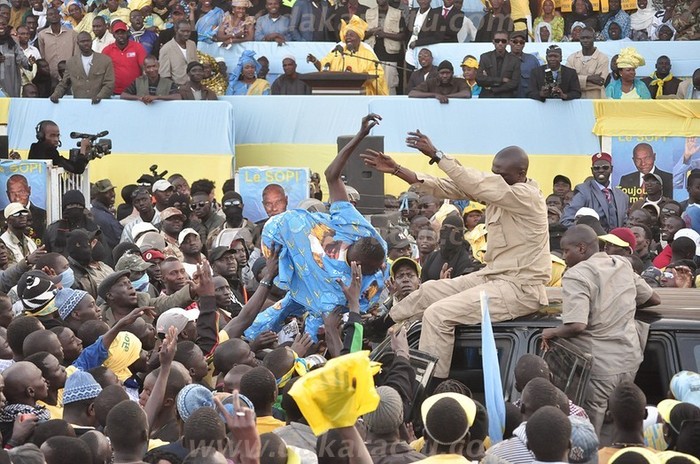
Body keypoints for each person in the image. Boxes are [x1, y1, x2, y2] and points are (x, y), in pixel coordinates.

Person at [361, 126, 550, 383]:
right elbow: (449, 186)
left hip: (521, 288)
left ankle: (428, 390)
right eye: (493, 174)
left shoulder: (526, 196)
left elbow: (474, 182)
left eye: (501, 175)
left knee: (438, 315)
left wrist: (437, 154)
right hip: (495, 276)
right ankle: (379, 326)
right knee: (427, 291)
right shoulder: (500, 188)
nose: (495, 179)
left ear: (521, 174)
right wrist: (397, 170)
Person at [245, 115, 387, 341]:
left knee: (307, 326)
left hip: (318, 292)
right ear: (357, 266)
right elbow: (331, 174)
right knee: (263, 323)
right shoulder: (356, 228)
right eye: (376, 268)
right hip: (279, 235)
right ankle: (244, 342)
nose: (381, 268)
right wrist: (359, 136)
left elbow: (341, 321)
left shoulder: (356, 283)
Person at [542, 225, 659, 432]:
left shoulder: (576, 275)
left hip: (600, 368)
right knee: (620, 422)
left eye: (566, 250)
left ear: (581, 248)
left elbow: (576, 325)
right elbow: (653, 298)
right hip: (630, 360)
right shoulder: (621, 264)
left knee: (591, 431)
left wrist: (551, 332)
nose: (563, 256)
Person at [307, 15, 389, 96]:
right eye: (346, 35)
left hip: (362, 93)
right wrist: (314, 61)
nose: (348, 37)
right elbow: (323, 67)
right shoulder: (338, 52)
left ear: (359, 37)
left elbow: (379, 74)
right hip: (338, 93)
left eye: (351, 35)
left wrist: (362, 76)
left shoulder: (367, 54)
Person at [561, 153, 629, 231]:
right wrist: (587, 233)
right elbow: (565, 221)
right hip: (593, 241)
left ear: (611, 169)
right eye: (596, 168)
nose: (601, 170)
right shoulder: (583, 191)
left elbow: (625, 224)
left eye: (605, 167)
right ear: (592, 171)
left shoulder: (622, 196)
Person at [50, 32, 115, 103]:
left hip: (101, 104)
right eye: (82, 41)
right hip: (79, 105)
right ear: (78, 43)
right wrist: (56, 94)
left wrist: (100, 96)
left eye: (88, 41)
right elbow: (64, 83)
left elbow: (109, 83)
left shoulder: (105, 60)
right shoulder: (71, 62)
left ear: (92, 42)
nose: (86, 43)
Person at [364, 0, 406, 95]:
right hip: (372, 55)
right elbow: (362, 35)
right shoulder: (368, 13)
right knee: (372, 85)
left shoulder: (397, 13)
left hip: (390, 56)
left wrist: (385, 34)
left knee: (389, 85)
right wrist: (371, 32)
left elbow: (403, 35)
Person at [101, 20, 146, 95]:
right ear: (113, 35)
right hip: (114, 92)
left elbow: (144, 68)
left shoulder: (138, 47)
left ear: (127, 33)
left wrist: (143, 88)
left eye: (123, 32)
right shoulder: (107, 50)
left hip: (135, 91)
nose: (120, 35)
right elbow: (102, 71)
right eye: (117, 33)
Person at [566, 27, 610, 99]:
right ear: (579, 39)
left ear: (594, 38)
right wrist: (589, 78)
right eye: (583, 38)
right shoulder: (572, 58)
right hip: (576, 101)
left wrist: (576, 81)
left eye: (588, 38)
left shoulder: (603, 58)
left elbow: (600, 82)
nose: (585, 40)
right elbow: (567, 81)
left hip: (596, 100)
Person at [476, 30, 521, 98]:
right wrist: (502, 80)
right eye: (497, 41)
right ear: (493, 41)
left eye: (503, 41)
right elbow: (479, 79)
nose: (500, 43)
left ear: (508, 42)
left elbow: (514, 83)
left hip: (506, 98)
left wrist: (494, 89)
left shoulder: (515, 60)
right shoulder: (485, 57)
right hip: (487, 97)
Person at [37, 7, 77, 81]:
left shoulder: (72, 34)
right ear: (47, 18)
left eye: (55, 14)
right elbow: (42, 56)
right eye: (50, 14)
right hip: (51, 77)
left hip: (69, 75)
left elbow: (76, 56)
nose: (53, 16)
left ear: (60, 16)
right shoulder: (42, 35)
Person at [4, 174, 47, 242]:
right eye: (12, 193)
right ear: (7, 194)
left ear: (29, 191)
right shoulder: (1, 217)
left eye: (21, 192)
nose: (17, 197)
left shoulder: (43, 215)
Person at [0, 17, 34, 97]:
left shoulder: (13, 42)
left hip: (11, 82)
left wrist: (30, 63)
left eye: (3, 24)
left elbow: (22, 59)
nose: (1, 26)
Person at [159, 20, 197, 86]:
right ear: (176, 30)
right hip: (177, 87)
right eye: (183, 31)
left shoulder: (192, 44)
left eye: (188, 31)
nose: (186, 34)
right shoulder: (166, 49)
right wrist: (175, 88)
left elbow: (196, 65)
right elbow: (164, 75)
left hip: (193, 85)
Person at [509, 30, 540, 99]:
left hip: (529, 101)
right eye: (515, 41)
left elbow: (539, 81)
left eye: (521, 42)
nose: (518, 44)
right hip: (508, 101)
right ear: (509, 42)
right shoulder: (502, 60)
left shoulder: (532, 60)